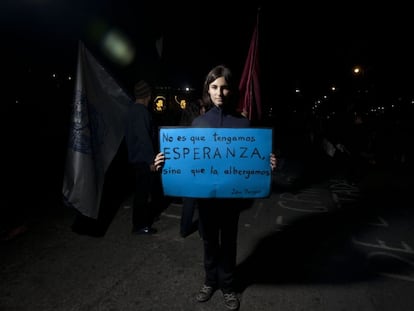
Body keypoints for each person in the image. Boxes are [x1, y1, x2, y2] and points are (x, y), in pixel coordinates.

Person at [159, 65, 277, 310]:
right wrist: (164, 162)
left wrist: (266, 161)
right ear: (207, 89)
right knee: (209, 242)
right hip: (206, 200)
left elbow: (250, 159)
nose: (219, 93)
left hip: (231, 200)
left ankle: (228, 286)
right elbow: (189, 159)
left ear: (231, 90)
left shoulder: (243, 125)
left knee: (229, 244)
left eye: (224, 87)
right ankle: (209, 281)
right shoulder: (199, 123)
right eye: (214, 87)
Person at [125, 80, 166, 235]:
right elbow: (144, 138)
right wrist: (151, 161)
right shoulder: (141, 112)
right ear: (147, 95)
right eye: (150, 95)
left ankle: (145, 218)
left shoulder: (131, 110)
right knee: (142, 194)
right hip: (143, 160)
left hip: (136, 158)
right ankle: (140, 225)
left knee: (144, 192)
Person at [178, 99, 207, 238]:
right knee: (201, 203)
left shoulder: (182, 128)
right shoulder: (202, 128)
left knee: (188, 202)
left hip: (187, 170)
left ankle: (184, 229)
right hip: (199, 170)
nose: (204, 110)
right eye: (202, 108)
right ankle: (202, 231)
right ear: (197, 110)